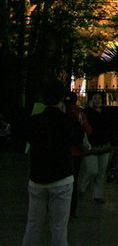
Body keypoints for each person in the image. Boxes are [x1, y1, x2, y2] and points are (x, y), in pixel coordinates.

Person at [22, 78, 83, 246]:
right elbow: (79, 139)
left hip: (38, 177)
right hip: (61, 177)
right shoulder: (67, 120)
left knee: (33, 225)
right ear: (62, 98)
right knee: (58, 228)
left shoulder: (35, 120)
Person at [79, 92, 113, 202]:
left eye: (99, 98)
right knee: (92, 170)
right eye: (95, 98)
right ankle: (83, 187)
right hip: (91, 146)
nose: (97, 100)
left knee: (101, 171)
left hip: (104, 145)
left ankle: (97, 195)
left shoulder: (106, 112)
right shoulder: (87, 112)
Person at [63, 91, 91, 218]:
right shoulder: (80, 114)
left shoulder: (63, 113)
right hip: (77, 152)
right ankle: (72, 209)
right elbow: (88, 130)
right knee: (73, 180)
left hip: (65, 151)